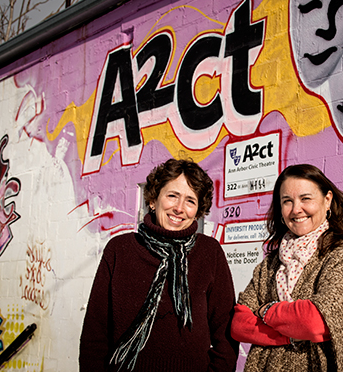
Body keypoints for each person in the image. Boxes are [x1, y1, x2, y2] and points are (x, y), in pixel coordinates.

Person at [79, 158, 239, 371]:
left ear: (199, 211)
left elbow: (226, 332)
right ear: (153, 200)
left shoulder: (209, 253)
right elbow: (94, 333)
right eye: (172, 196)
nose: (179, 208)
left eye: (190, 201)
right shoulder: (120, 250)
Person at [231, 164, 343, 371]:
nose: (296, 209)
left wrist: (267, 310)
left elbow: (315, 321)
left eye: (306, 199)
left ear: (327, 200)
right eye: (287, 201)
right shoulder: (270, 264)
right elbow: (239, 324)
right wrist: (291, 334)